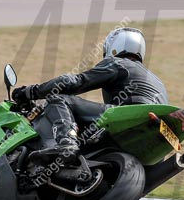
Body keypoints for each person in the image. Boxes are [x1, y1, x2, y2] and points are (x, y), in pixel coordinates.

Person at [12, 27, 172, 163]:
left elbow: (73, 82)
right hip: (156, 126)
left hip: (132, 115)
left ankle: (67, 144)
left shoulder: (118, 63)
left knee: (58, 99)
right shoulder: (158, 81)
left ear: (113, 47)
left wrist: (31, 91)